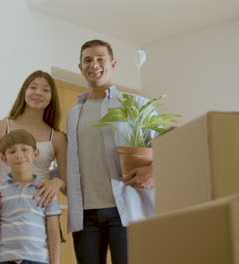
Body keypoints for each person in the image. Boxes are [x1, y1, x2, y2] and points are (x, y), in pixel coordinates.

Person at [66, 40, 157, 264]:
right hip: (85, 216)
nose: (93, 64)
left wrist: (154, 170)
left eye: (100, 58)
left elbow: (169, 146)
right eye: (87, 60)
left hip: (126, 212)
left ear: (113, 64)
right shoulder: (73, 114)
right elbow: (72, 161)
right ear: (80, 67)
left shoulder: (136, 104)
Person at [0, 70, 67, 207]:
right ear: (24, 91)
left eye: (45, 90)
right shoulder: (0, 127)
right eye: (33, 87)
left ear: (52, 97)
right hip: (6, 209)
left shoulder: (57, 138)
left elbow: (66, 182)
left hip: (41, 210)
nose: (38, 93)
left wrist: (57, 182)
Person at [0, 129, 61, 264]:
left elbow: (54, 234)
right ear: (4, 159)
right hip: (7, 260)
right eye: (12, 151)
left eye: (24, 149)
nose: (19, 155)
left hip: (39, 260)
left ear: (35, 154)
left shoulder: (46, 191)